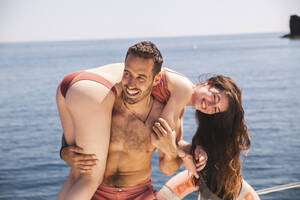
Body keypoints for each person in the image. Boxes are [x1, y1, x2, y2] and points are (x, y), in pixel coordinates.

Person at [57, 41, 209, 200]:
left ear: (156, 79)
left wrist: (172, 150)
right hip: (96, 193)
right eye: (127, 73)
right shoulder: (106, 103)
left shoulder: (162, 114)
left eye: (141, 77)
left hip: (139, 194)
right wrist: (64, 150)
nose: (131, 84)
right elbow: (78, 128)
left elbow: (167, 168)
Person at [156, 75, 261, 200]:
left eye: (215, 109)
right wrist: (185, 155)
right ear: (209, 83)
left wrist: (193, 149)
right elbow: (158, 137)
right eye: (215, 97)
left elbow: (166, 158)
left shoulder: (180, 108)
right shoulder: (183, 89)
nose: (209, 105)